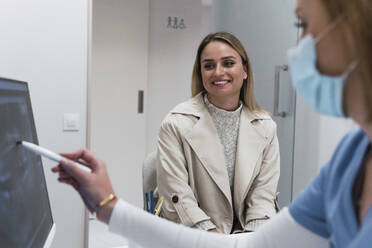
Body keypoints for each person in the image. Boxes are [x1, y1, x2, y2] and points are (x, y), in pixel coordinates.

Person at [52, 0, 372, 247]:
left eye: (303, 23)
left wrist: (109, 208)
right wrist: (108, 207)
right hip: (205, 233)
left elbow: (262, 205)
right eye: (209, 66)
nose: (298, 46)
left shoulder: (264, 126)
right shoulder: (349, 158)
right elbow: (183, 201)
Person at [154, 31, 280, 234]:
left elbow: (263, 195)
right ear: (201, 73)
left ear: (245, 71)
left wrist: (252, 238)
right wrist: (214, 239)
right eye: (209, 65)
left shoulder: (265, 127)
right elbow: (177, 196)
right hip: (193, 236)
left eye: (228, 63)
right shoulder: (175, 124)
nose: (218, 72)